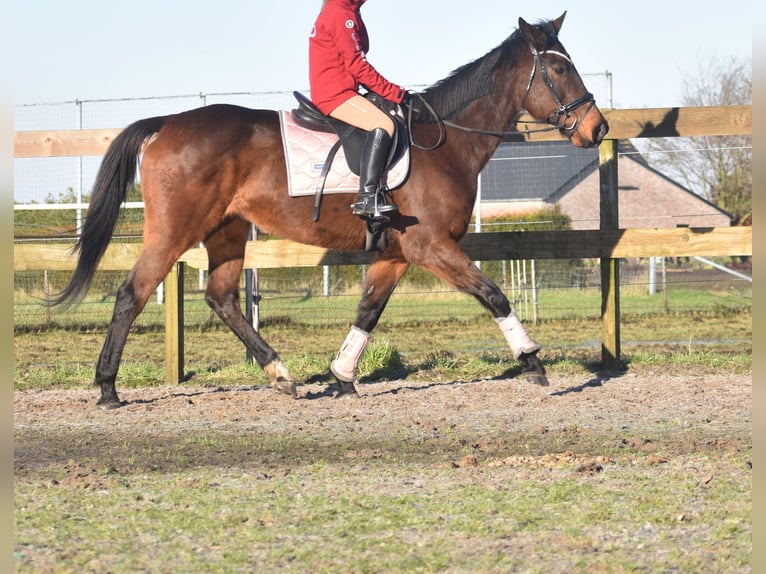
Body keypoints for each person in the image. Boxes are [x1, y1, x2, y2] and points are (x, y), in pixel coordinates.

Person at [309, 0, 406, 217]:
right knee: (383, 124)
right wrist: (394, 92)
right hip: (335, 95)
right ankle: (367, 198)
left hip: (342, 90)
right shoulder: (340, 12)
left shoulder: (346, 10)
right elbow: (357, 65)